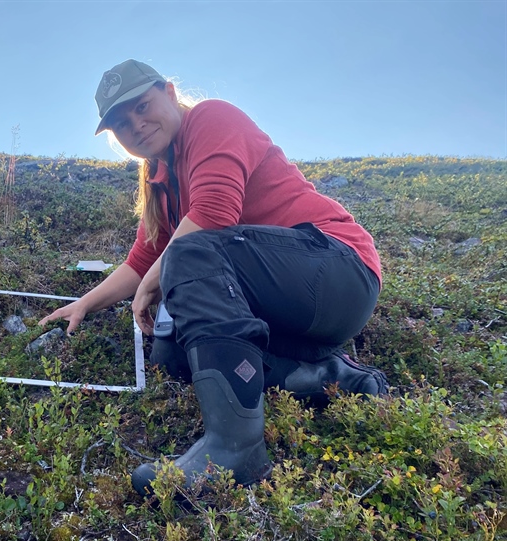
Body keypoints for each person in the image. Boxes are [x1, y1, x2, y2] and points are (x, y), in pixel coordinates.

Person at [39, 59, 387, 497]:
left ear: (168, 92)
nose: (138, 125)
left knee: (188, 253)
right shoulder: (160, 180)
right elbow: (142, 259)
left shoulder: (210, 118)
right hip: (291, 308)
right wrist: (84, 304)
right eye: (123, 125)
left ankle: (235, 450)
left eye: (143, 107)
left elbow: (213, 214)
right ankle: (326, 376)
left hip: (339, 272)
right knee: (172, 351)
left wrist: (157, 277)